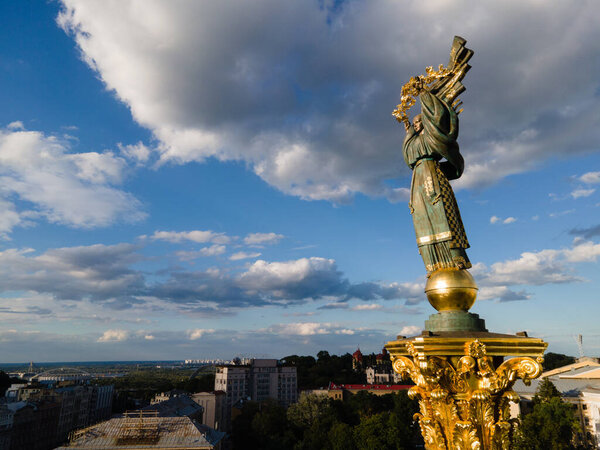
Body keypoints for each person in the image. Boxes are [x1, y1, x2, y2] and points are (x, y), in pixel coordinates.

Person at [402, 90, 471, 274]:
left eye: (419, 121)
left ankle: (454, 256)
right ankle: (432, 262)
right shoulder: (413, 143)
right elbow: (408, 155)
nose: (416, 125)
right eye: (414, 123)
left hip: (432, 176)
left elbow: (444, 138)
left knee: (442, 213)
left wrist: (424, 95)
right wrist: (408, 130)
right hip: (417, 181)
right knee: (422, 218)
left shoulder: (431, 137)